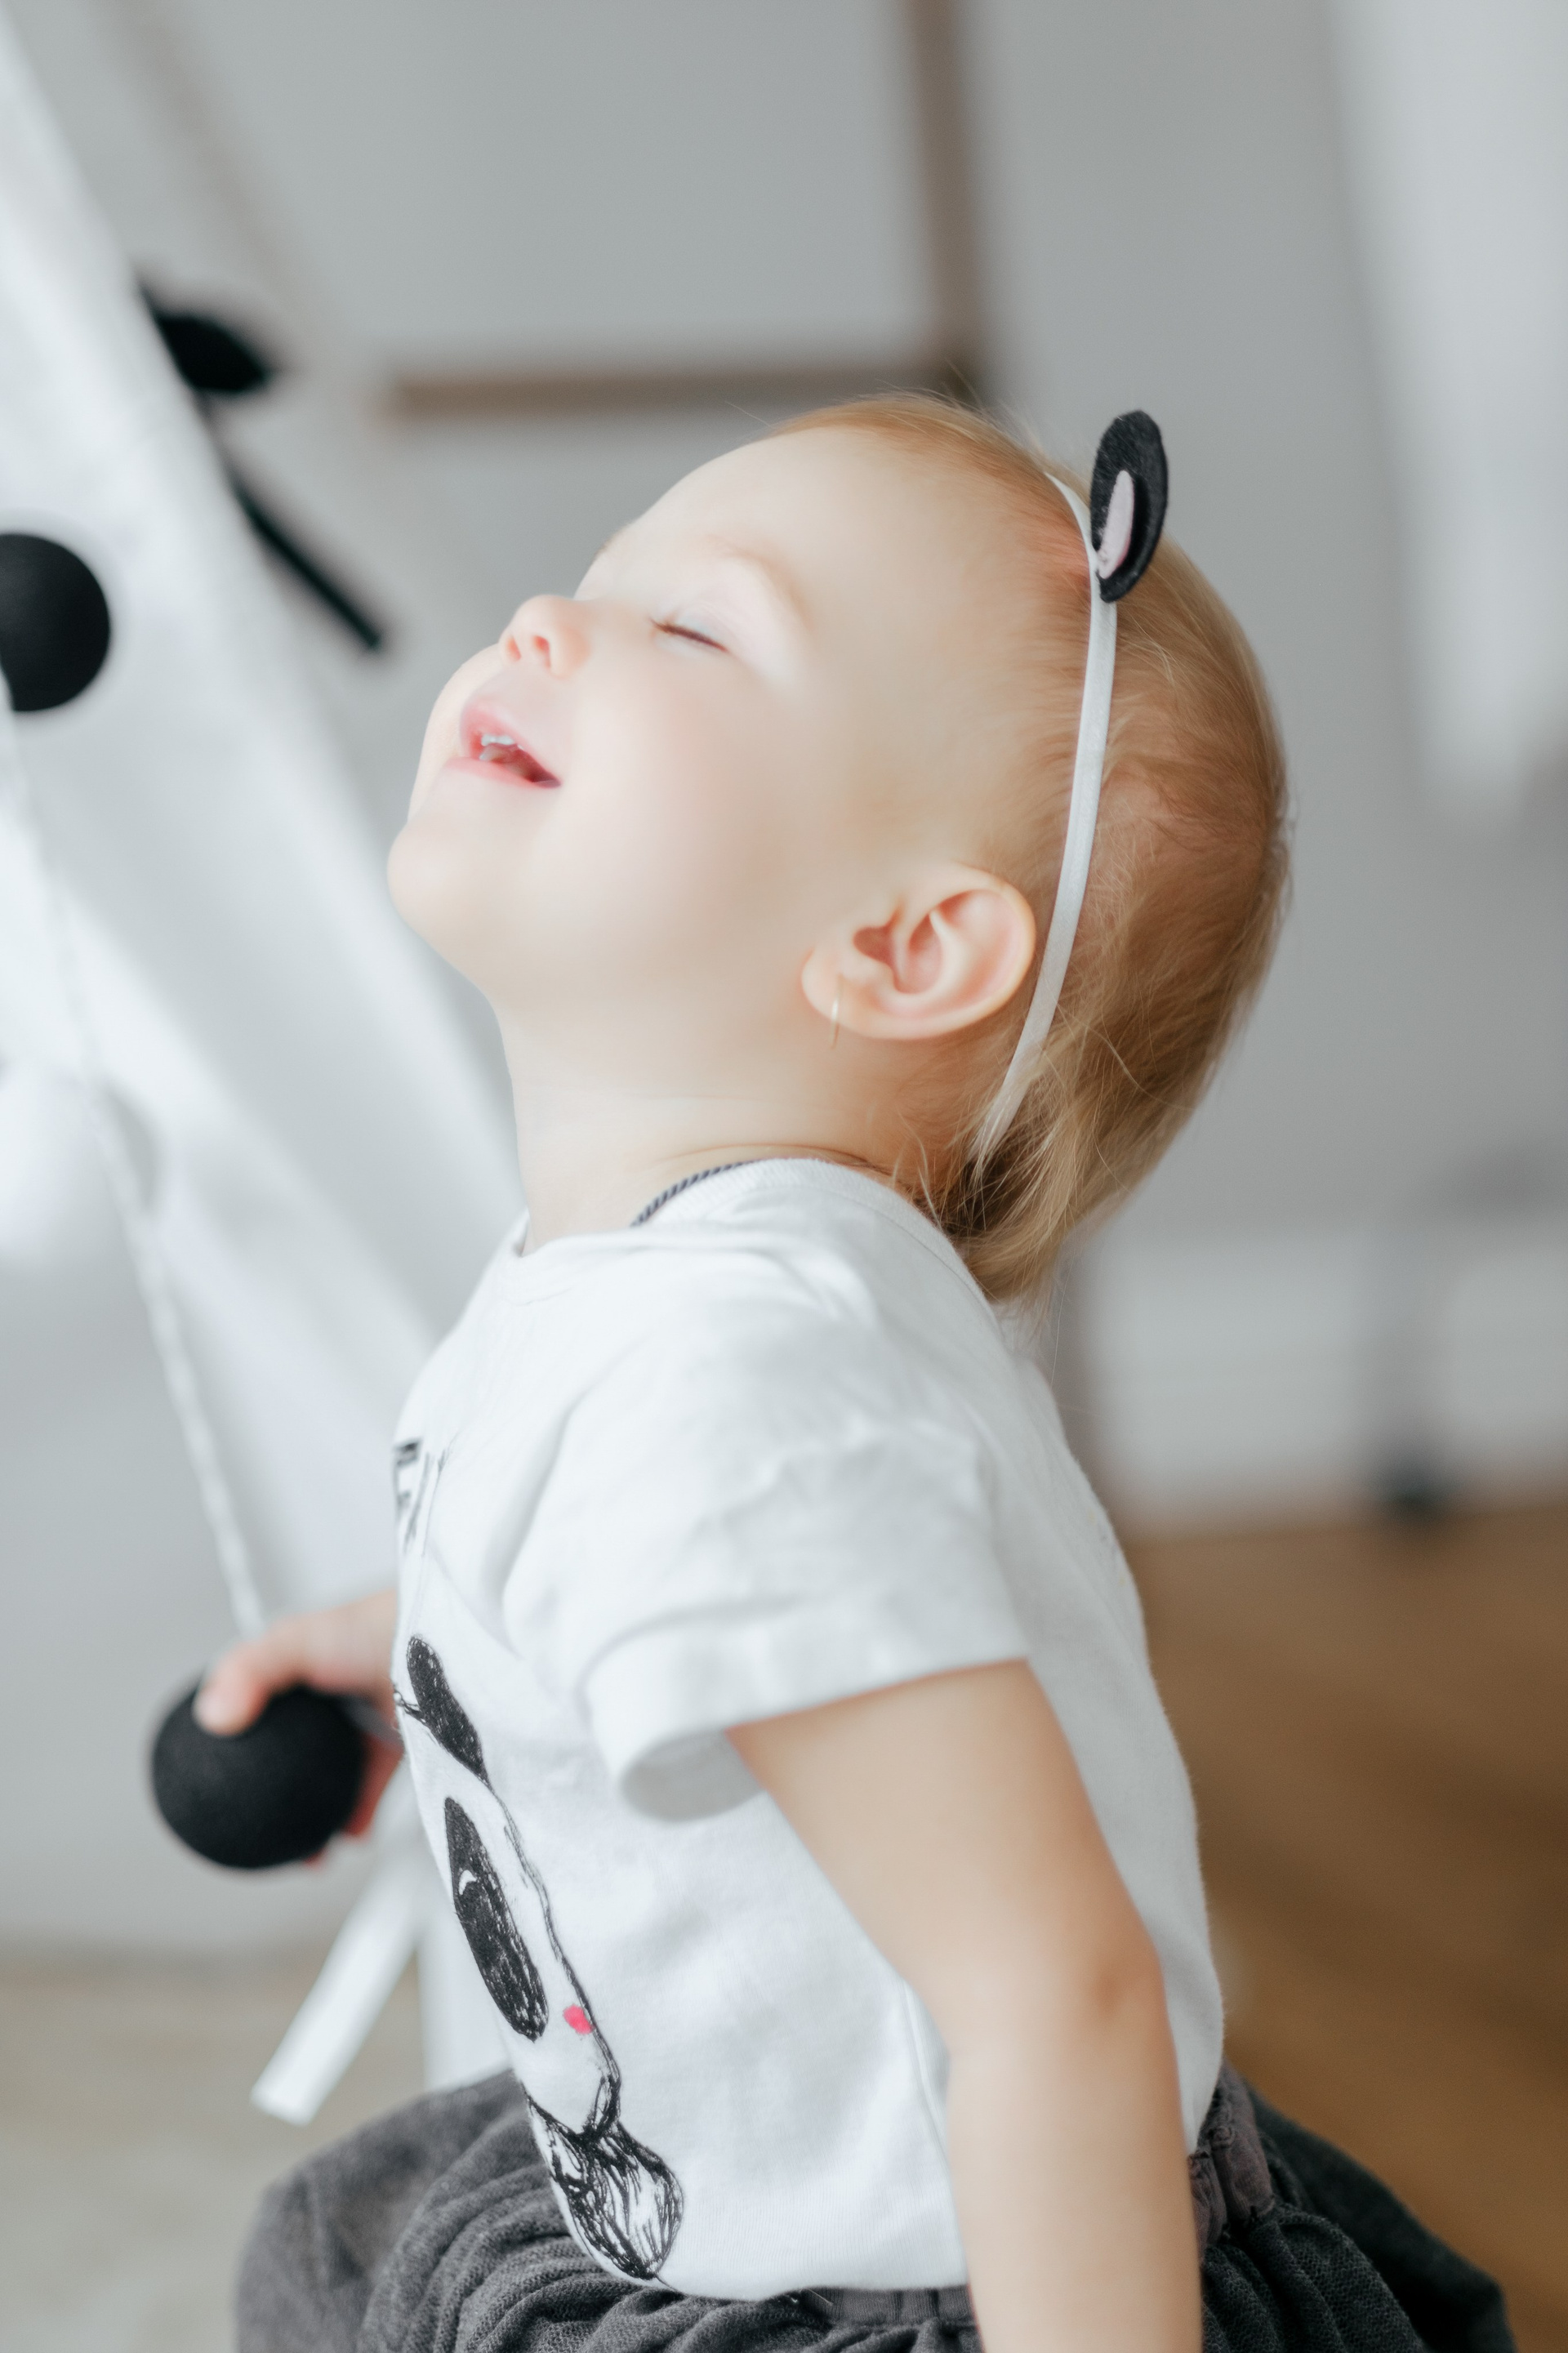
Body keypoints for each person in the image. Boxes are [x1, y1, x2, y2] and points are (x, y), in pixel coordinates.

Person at [203, 399, 1512, 2353]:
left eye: (695, 627)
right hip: (728, 2190)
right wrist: (437, 1633)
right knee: (341, 2258)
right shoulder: (660, 1293)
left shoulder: (729, 1367)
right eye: (605, 574)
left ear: (901, 946)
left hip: (947, 2287)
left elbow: (1051, 1991)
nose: (550, 617)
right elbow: (691, 1550)